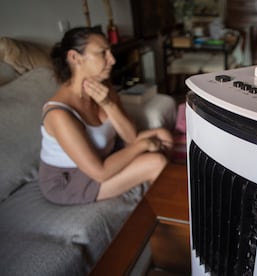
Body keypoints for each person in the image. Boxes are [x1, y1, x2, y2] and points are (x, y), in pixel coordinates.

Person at [39, 27, 173, 205]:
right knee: (156, 162)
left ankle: (159, 187)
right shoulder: (59, 114)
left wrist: (108, 104)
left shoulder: (103, 86)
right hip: (71, 179)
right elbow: (99, 172)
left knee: (163, 136)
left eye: (110, 52)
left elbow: (130, 136)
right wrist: (143, 145)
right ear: (74, 57)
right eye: (103, 53)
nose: (112, 59)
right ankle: (164, 213)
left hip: (105, 153)